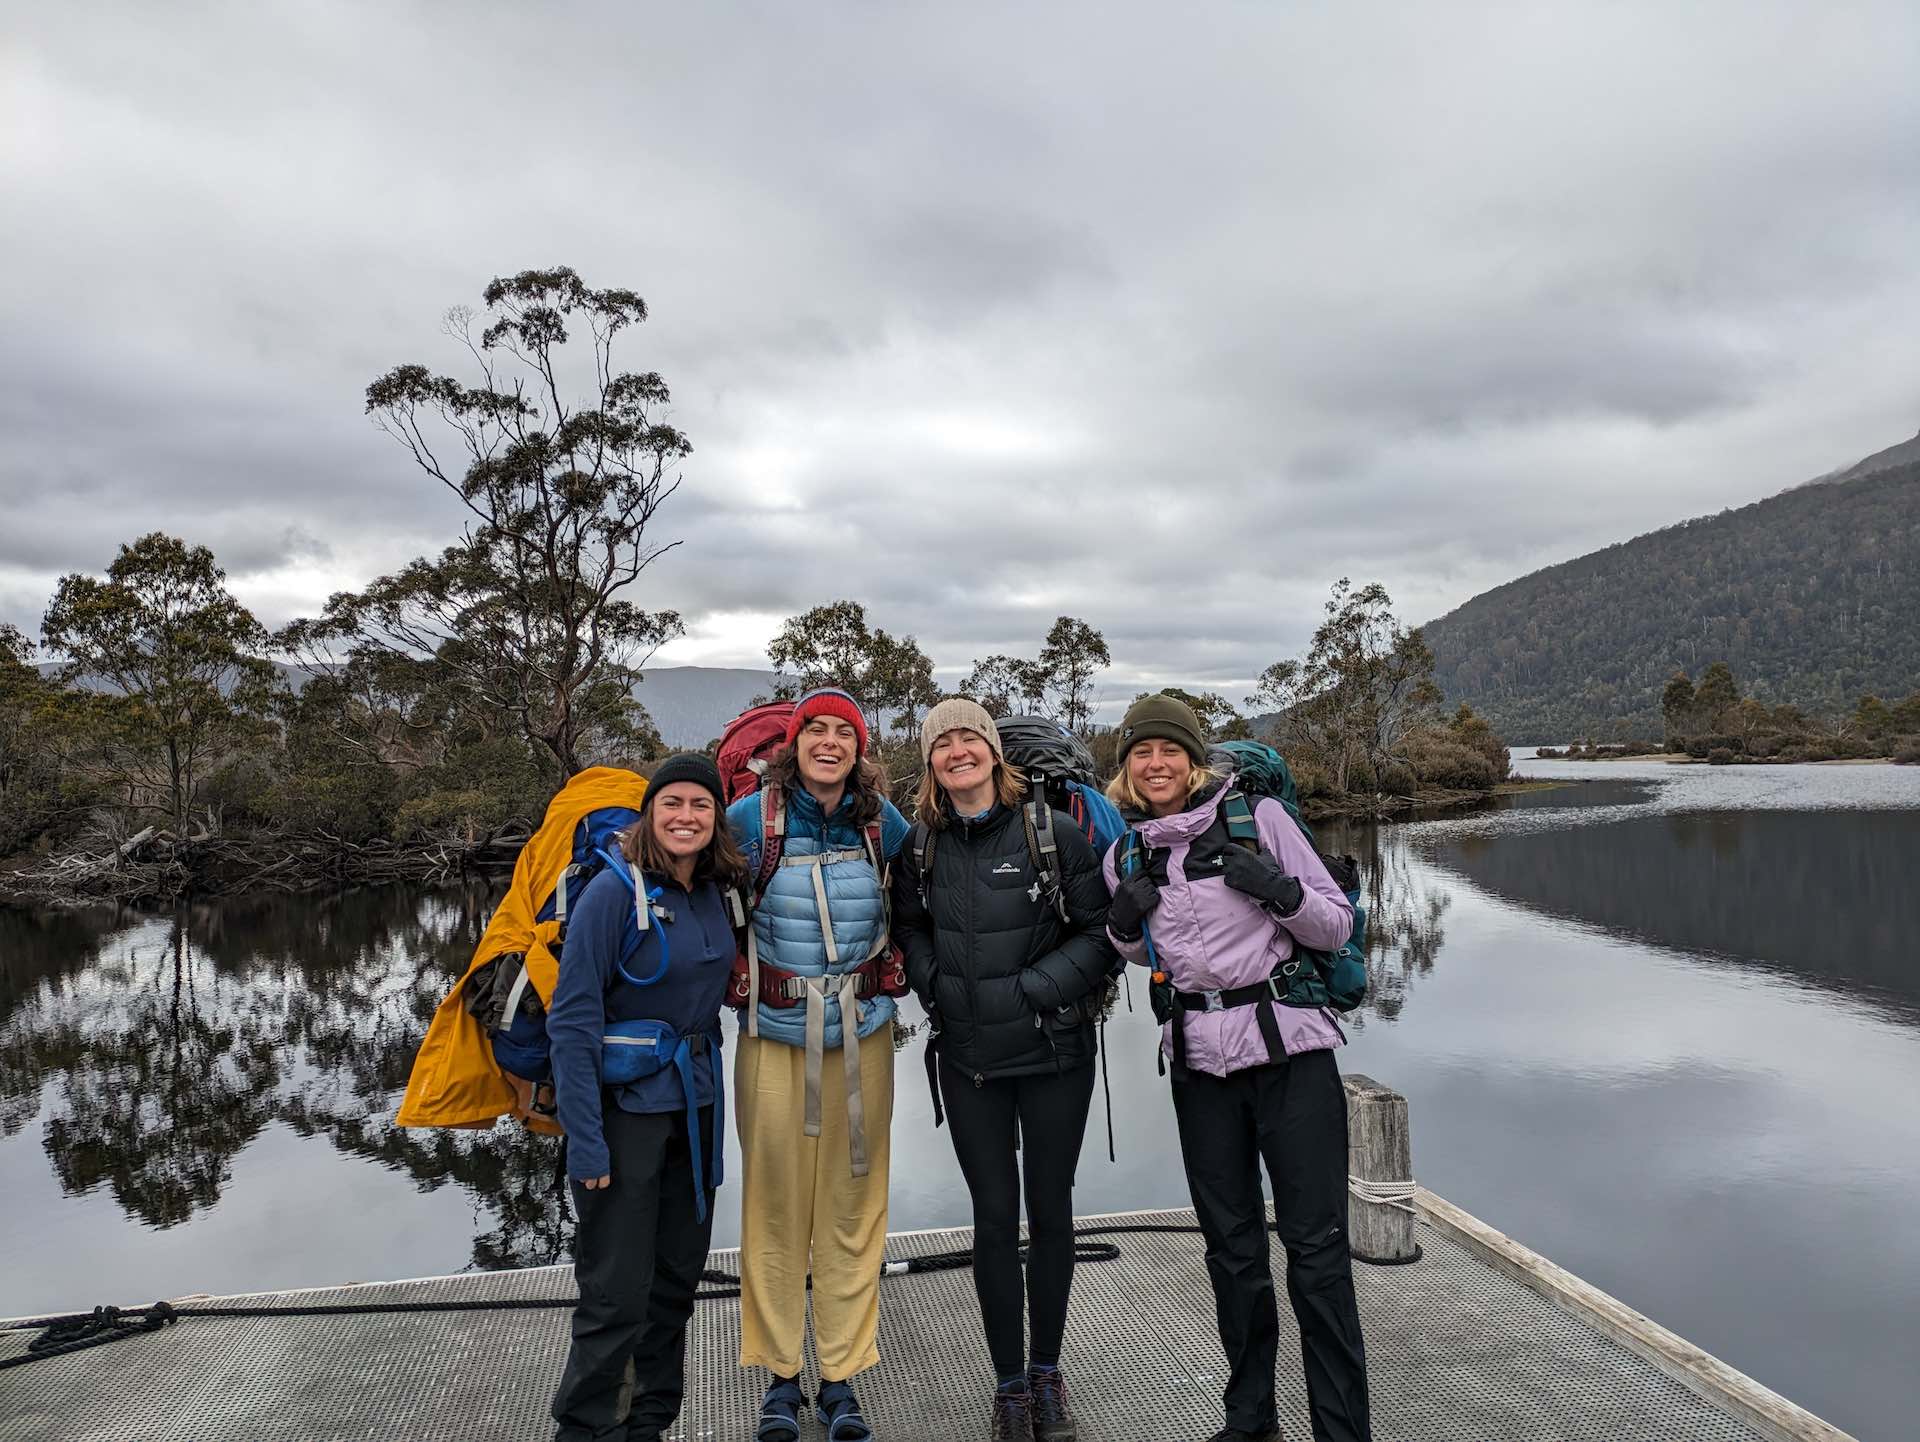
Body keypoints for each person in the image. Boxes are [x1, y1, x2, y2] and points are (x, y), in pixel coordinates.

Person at [1101, 693, 1373, 1442]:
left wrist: (1278, 891)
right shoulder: (1126, 854)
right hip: (1199, 1068)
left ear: (1194, 760)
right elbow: (1148, 951)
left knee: (1317, 1255)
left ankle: (1342, 1432)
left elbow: (1335, 923)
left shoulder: (1263, 821)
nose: (1156, 764)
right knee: (1231, 1252)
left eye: (1170, 750)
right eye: (1141, 753)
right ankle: (1251, 1421)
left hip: (1290, 1058)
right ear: (1126, 768)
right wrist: (1121, 927)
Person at [892, 699, 1117, 1442]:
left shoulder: (1052, 834)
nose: (958, 751)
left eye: (970, 738)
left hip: (1054, 1055)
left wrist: (1035, 990)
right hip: (969, 1061)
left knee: (1050, 1213)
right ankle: (1010, 1386)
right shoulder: (921, 846)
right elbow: (909, 927)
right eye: (943, 743)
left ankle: (1048, 1374)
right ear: (931, 762)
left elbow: (1103, 935)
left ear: (993, 752)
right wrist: (935, 983)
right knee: (993, 1219)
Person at [726, 688, 911, 1442]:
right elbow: (692, 891)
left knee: (854, 1205)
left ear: (860, 749)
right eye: (816, 730)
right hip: (773, 1038)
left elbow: (929, 897)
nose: (830, 743)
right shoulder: (751, 821)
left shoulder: (881, 822)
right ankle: (780, 1378)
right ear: (794, 743)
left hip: (863, 1037)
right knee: (774, 1205)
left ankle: (840, 1377)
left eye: (845, 733)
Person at [545, 753, 747, 1442]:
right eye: (672, 804)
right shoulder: (611, 894)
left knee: (673, 1284)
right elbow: (572, 1021)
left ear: (717, 816)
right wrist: (584, 1142)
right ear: (650, 813)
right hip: (622, 1119)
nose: (686, 817)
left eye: (700, 804)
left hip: (696, 1110)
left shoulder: (715, 890)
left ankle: (649, 1425)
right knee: (615, 1294)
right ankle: (586, 1429)